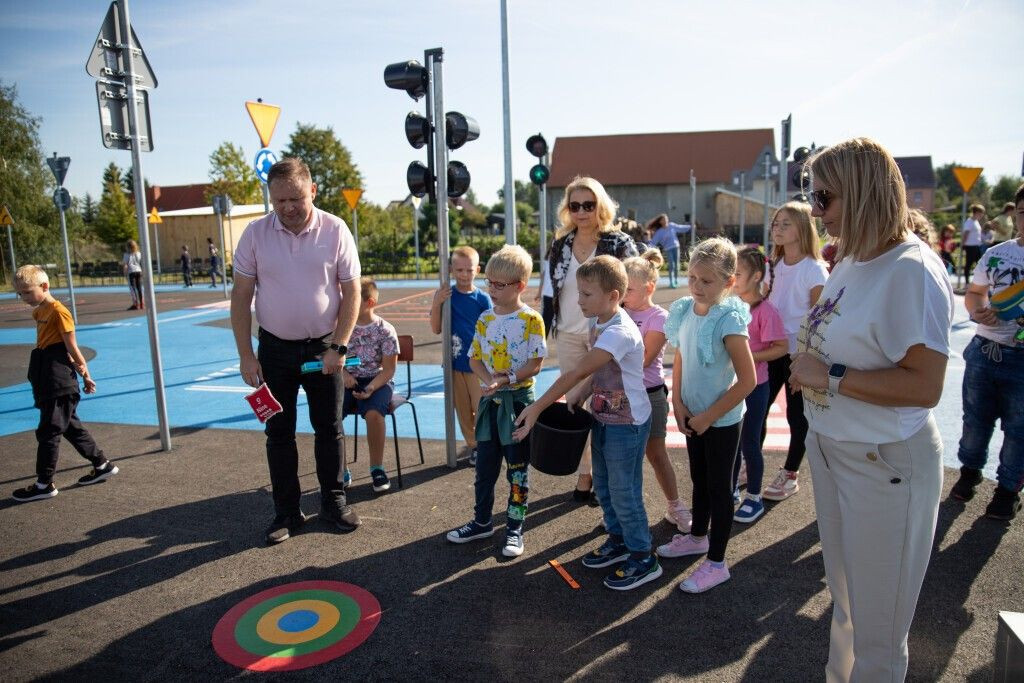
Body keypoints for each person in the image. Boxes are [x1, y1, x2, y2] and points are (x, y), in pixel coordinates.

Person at [790, 137, 954, 681]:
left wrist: (829, 374)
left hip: (884, 463)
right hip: (836, 451)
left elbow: (924, 386)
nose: (815, 210)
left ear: (859, 193)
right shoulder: (855, 258)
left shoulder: (912, 269)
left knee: (879, 635)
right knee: (848, 610)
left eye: (824, 197)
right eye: (812, 195)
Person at [230, 157, 361, 544]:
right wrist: (245, 355)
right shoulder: (254, 234)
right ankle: (287, 512)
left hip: (325, 348)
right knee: (279, 433)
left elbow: (352, 291)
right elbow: (241, 296)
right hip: (273, 350)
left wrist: (339, 346)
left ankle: (333, 503)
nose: (287, 207)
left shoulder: (336, 229)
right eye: (279, 200)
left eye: (296, 198)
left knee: (329, 428)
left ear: (312, 191)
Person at [515, 255, 658, 590]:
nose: (579, 300)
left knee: (625, 491)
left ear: (613, 295)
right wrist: (581, 393)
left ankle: (643, 557)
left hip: (628, 423)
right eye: (578, 292)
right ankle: (618, 540)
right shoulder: (600, 322)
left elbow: (578, 369)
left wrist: (538, 407)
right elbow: (594, 373)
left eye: (587, 294)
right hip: (604, 417)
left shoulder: (620, 331)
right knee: (605, 486)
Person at [655, 238, 756, 593]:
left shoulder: (729, 318)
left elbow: (748, 380)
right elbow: (680, 356)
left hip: (722, 420)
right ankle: (698, 536)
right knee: (699, 478)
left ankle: (717, 562)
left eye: (707, 281)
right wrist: (679, 404)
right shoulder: (684, 309)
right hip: (693, 414)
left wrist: (709, 416)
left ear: (729, 282)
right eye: (693, 277)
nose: (697, 286)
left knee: (720, 488)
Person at [545, 176, 643, 502]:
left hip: (606, 334)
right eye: (575, 206)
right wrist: (544, 330)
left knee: (607, 407)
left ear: (599, 206)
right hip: (571, 333)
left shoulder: (618, 243)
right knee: (577, 404)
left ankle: (608, 480)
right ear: (567, 210)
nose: (582, 211)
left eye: (589, 204)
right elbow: (549, 291)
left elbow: (633, 287)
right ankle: (585, 474)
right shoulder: (560, 245)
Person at [447, 245, 546, 558]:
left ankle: (514, 529)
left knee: (517, 470)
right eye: (489, 282)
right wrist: (488, 378)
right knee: (484, 469)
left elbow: (535, 363)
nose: (491, 289)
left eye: (499, 285)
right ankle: (481, 522)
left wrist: (507, 378)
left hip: (517, 402)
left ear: (520, 286)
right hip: (491, 402)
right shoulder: (485, 318)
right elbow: (474, 357)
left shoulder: (531, 319)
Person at [12, 265, 119, 502]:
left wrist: (85, 374)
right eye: (20, 294)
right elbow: (46, 344)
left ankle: (44, 483)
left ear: (45, 286)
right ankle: (101, 465)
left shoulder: (59, 311)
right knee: (70, 426)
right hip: (45, 372)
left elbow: (71, 347)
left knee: (49, 430)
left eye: (28, 292)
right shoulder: (39, 312)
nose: (24, 298)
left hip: (58, 378)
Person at [950, 183, 1024, 520]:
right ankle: (969, 473)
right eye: (1023, 213)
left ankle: (1007, 491)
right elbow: (976, 292)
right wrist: (977, 308)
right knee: (975, 420)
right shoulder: (997, 253)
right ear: (1015, 216)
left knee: (1018, 430)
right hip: (983, 349)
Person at [760, 202, 828, 502]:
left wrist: (806, 360)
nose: (777, 227)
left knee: (797, 417)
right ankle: (751, 464)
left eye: (785, 223)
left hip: (797, 356)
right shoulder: (771, 267)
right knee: (757, 411)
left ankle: (790, 474)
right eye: (776, 223)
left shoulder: (814, 270)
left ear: (802, 227)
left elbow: (820, 318)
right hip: (770, 352)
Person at [622, 250, 691, 532]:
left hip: (650, 395)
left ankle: (675, 505)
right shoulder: (619, 313)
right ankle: (624, 512)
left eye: (628, 289)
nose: (621, 293)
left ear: (649, 288)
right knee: (624, 457)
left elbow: (644, 360)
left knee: (656, 453)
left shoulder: (658, 317)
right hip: (619, 395)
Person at [730, 246, 787, 523]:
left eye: (737, 273)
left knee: (750, 443)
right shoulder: (729, 305)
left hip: (755, 387)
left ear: (755, 276)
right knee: (731, 442)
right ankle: (731, 490)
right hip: (729, 386)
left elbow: (780, 348)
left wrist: (749, 356)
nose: (733, 277)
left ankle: (754, 497)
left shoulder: (766, 311)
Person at [430, 245, 491, 466]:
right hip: (455, 364)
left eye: (469, 270)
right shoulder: (447, 296)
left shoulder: (482, 299)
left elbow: (491, 329)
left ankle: (484, 444)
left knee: (481, 407)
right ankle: (473, 446)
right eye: (459, 270)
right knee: (463, 410)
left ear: (478, 270)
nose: (464, 275)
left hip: (477, 365)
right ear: (452, 270)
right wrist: (437, 302)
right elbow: (436, 328)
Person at [342, 277, 399, 494]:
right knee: (330, 414)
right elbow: (330, 358)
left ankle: (377, 468)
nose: (346, 303)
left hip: (378, 380)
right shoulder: (341, 328)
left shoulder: (385, 330)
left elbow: (389, 370)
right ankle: (340, 468)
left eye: (352, 299)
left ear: (370, 303)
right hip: (346, 378)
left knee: (374, 413)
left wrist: (371, 388)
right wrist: (344, 374)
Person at [645, 213, 690, 288]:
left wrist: (690, 227)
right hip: (668, 249)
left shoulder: (671, 225)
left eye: (666, 219)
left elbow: (680, 228)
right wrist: (647, 244)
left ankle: (676, 280)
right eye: (664, 219)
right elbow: (653, 242)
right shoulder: (659, 232)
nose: (666, 220)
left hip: (676, 247)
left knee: (676, 265)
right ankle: (671, 282)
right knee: (671, 265)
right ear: (660, 222)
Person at [962, 204, 986, 281]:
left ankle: (979, 281)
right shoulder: (969, 222)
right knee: (969, 264)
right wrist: (963, 244)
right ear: (976, 212)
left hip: (976, 246)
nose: (982, 215)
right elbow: (966, 234)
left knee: (980, 264)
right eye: (981, 212)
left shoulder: (976, 221)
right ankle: (966, 282)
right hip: (970, 246)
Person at [122, 239, 143, 310]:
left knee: (132, 288)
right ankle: (142, 303)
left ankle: (135, 303)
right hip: (139, 271)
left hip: (131, 272)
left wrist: (124, 273)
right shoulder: (138, 253)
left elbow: (125, 265)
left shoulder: (126, 255)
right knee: (139, 287)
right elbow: (140, 263)